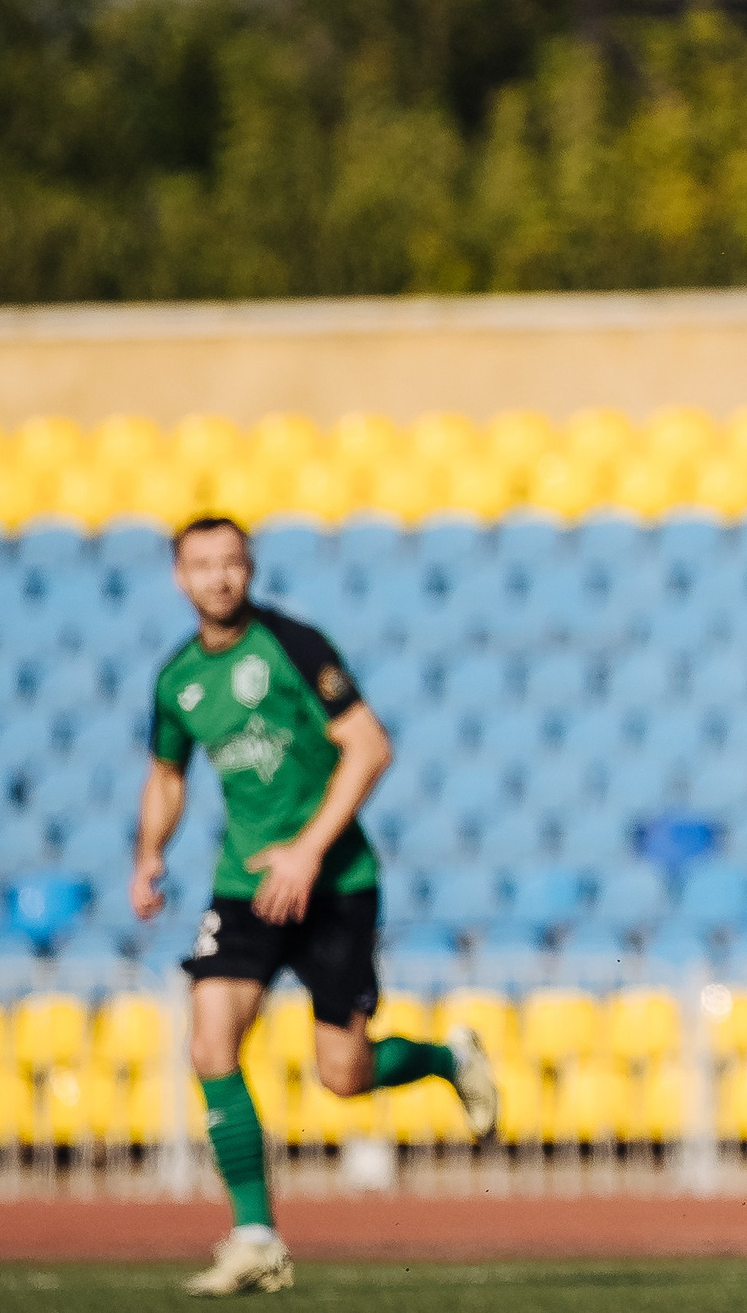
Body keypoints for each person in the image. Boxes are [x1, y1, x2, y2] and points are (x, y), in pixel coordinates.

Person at [131, 517, 498, 1298]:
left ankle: (446, 1060)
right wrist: (149, 854)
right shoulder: (177, 681)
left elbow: (370, 745)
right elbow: (168, 776)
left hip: (335, 885)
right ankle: (256, 1237)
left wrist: (307, 850)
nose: (219, 578)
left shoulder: (296, 646)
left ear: (249, 568)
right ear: (179, 579)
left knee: (344, 1073)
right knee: (210, 1042)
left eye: (231, 562)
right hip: (246, 887)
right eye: (201, 565)